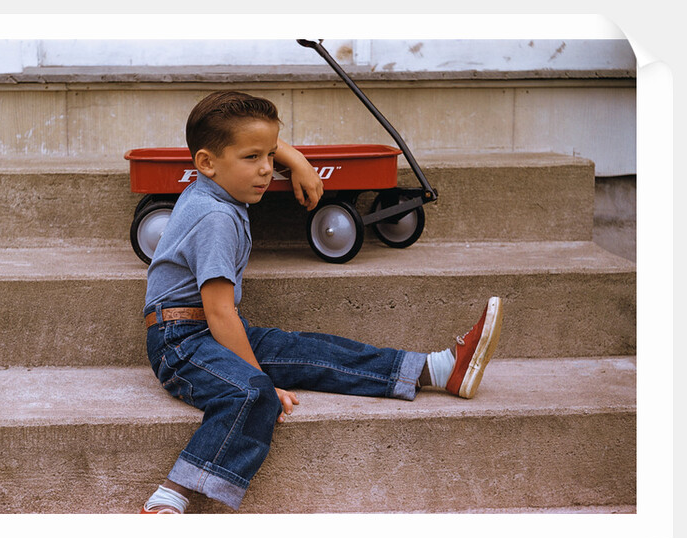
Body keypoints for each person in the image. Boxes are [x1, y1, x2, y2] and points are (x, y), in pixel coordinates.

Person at [139, 91, 504, 514]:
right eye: (253, 158)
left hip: (202, 331)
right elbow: (220, 312)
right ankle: (168, 498)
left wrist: (296, 161)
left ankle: (437, 370)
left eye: (270, 156)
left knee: (305, 349)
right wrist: (259, 377)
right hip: (180, 344)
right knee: (254, 394)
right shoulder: (215, 218)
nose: (266, 169)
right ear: (207, 162)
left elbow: (252, 143)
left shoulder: (216, 191)